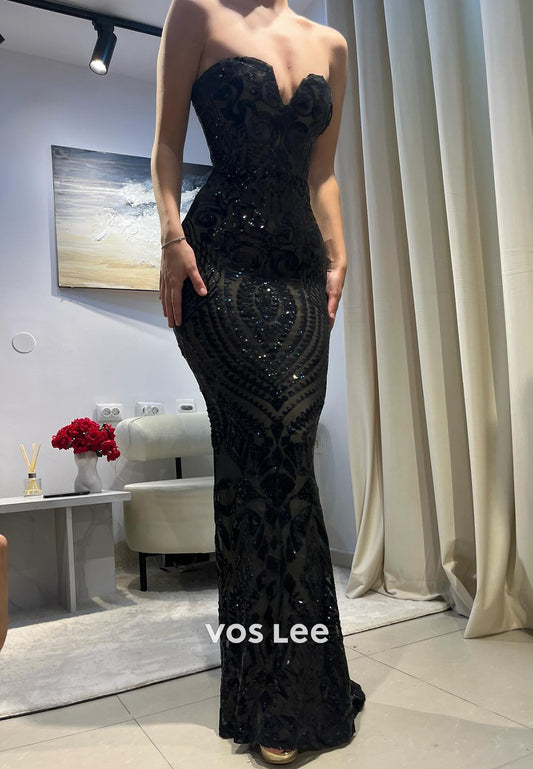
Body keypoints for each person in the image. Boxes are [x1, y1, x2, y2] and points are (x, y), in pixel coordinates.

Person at [151, 0, 365, 763]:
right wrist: (170, 237)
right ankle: (271, 693)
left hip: (301, 273)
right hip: (217, 268)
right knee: (260, 460)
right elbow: (165, 145)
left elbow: (322, 172)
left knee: (289, 464)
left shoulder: (330, 43)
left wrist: (339, 252)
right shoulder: (195, 14)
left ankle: (301, 682)